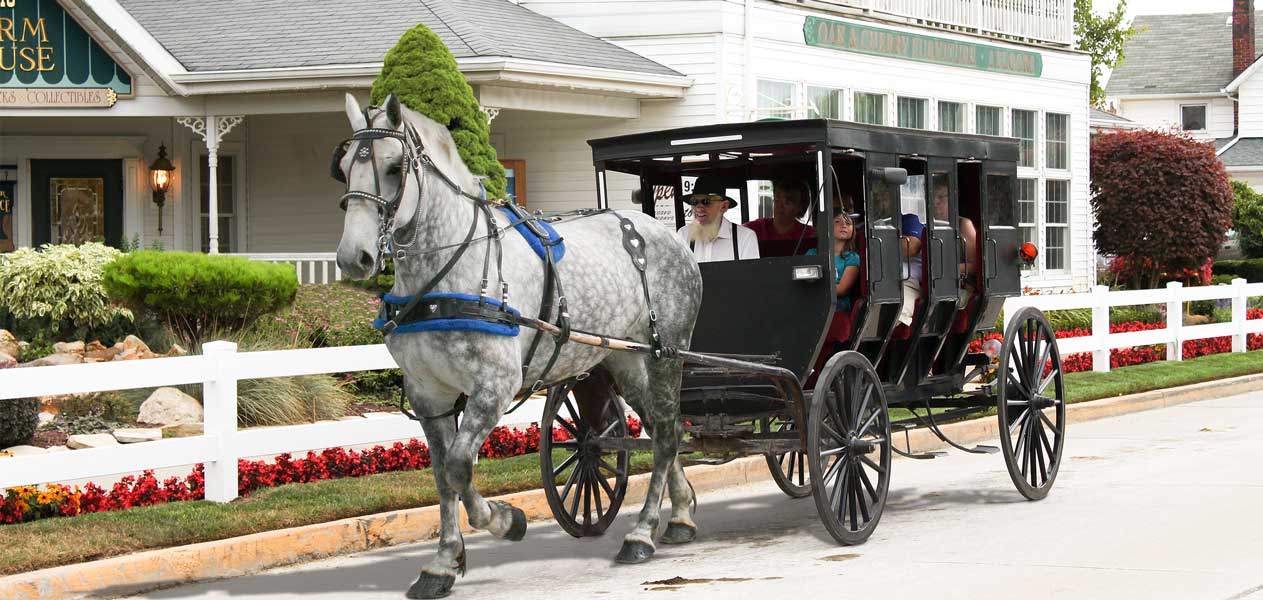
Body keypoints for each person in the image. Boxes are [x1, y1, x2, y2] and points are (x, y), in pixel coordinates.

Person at [676, 175, 760, 262]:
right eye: (694, 202)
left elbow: (750, 274)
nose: (698, 208)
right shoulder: (683, 235)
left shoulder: (745, 238)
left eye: (706, 202)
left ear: (724, 206)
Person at [930, 181, 978, 304]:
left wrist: (947, 270)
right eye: (933, 197)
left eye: (940, 197)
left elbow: (975, 265)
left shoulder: (964, 224)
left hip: (960, 286)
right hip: (935, 284)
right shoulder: (930, 225)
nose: (936, 202)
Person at [806, 212, 861, 311]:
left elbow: (842, 290)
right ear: (826, 226)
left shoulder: (853, 258)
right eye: (837, 221)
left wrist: (814, 289)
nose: (844, 225)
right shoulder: (812, 253)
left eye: (848, 223)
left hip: (837, 305)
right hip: (812, 301)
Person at [743, 179, 816, 254]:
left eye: (787, 202)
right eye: (777, 200)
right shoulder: (755, 228)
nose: (779, 206)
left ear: (800, 207)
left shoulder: (809, 234)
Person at [898, 212, 924, 326]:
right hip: (877, 282)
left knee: (896, 314)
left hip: (907, 281)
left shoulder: (909, 220)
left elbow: (911, 247)